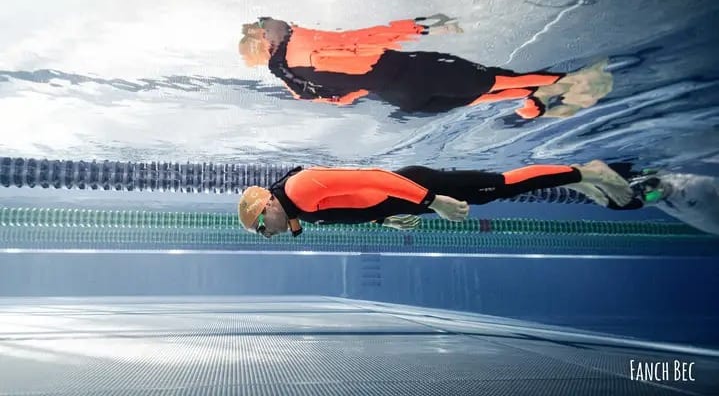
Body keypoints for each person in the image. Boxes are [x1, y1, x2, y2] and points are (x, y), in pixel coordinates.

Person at [238, 15, 613, 118]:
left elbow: (342, 98)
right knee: (493, 78)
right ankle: (575, 82)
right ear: (266, 38)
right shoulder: (301, 42)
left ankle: (534, 104)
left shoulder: (289, 78)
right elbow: (363, 38)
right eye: (267, 24)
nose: (277, 22)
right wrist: (423, 26)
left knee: (475, 97)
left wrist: (366, 83)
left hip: (401, 98)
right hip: (414, 72)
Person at [237, 160, 633, 238]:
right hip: (409, 201)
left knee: (502, 184)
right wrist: (383, 219)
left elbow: (375, 177)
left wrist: (434, 201)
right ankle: (579, 180)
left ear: (267, 206)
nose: (265, 234)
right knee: (495, 192)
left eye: (260, 228)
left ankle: (588, 173)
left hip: (416, 186)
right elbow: (350, 204)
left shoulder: (299, 188)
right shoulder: (297, 210)